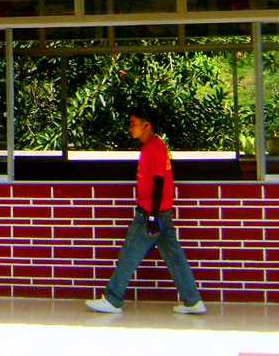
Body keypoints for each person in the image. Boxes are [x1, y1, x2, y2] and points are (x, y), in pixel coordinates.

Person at [86, 105, 206, 315]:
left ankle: (113, 300)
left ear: (146, 125)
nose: (130, 128)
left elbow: (159, 181)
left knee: (129, 255)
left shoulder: (153, 148)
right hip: (161, 213)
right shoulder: (155, 146)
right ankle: (193, 300)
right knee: (174, 256)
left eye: (134, 124)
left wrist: (151, 216)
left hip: (150, 213)